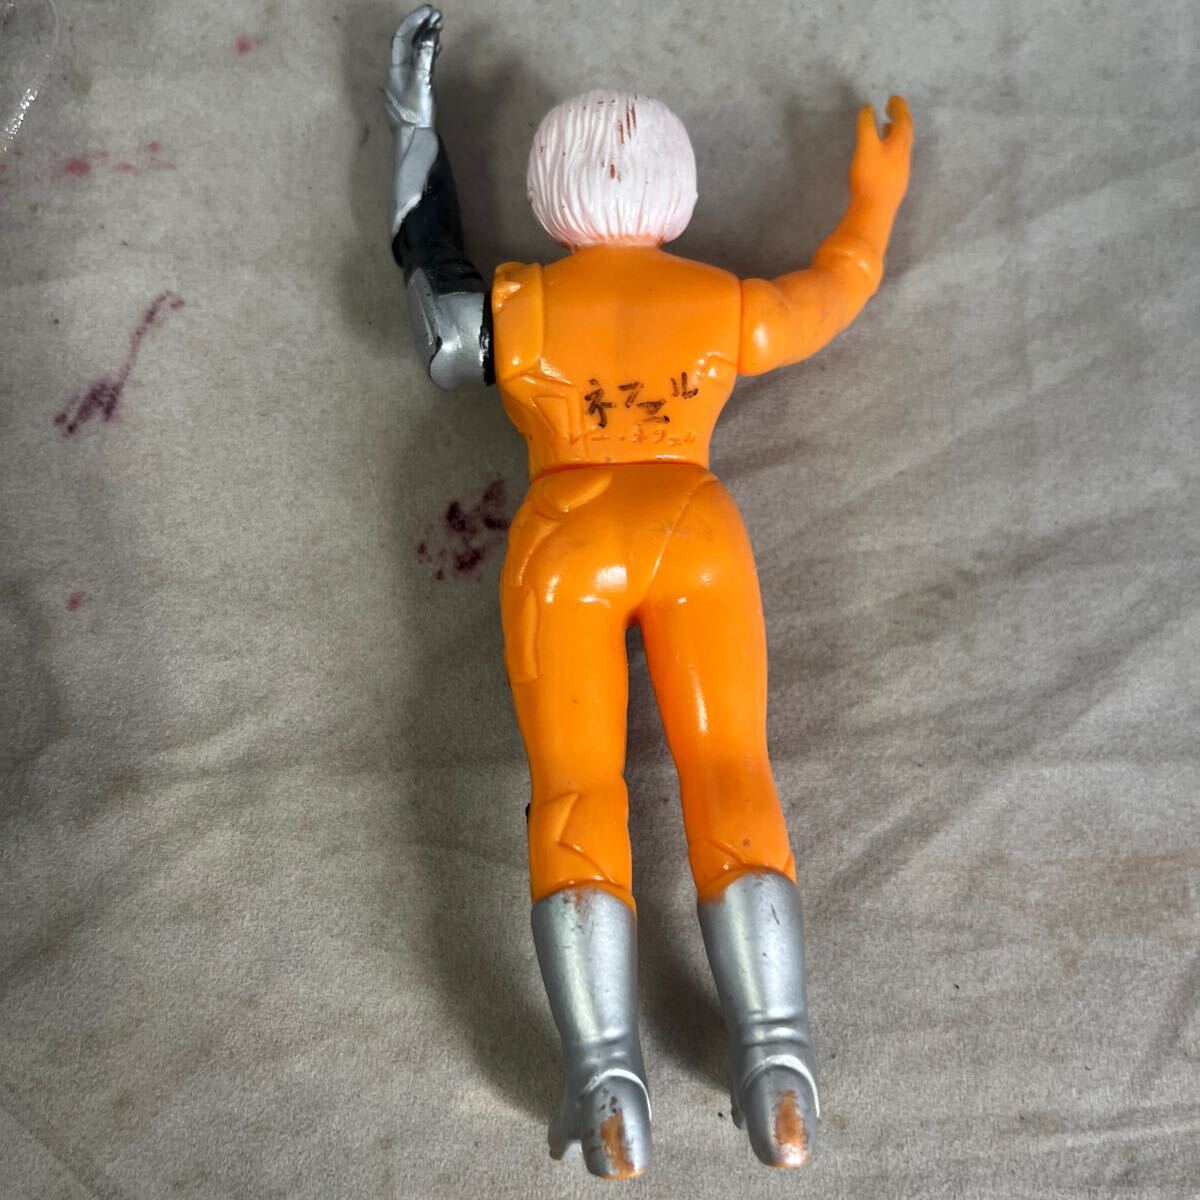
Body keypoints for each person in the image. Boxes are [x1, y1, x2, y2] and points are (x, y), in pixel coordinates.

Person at [384, 5, 912, 1177]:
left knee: (575, 789)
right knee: (733, 769)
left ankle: (605, 1077)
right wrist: (874, 199)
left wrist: (413, 125)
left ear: (550, 192)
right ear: (676, 194)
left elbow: (432, 288)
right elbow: (836, 289)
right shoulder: (718, 305)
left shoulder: (521, 306)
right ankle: (778, 1060)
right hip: (695, 528)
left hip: (567, 537)